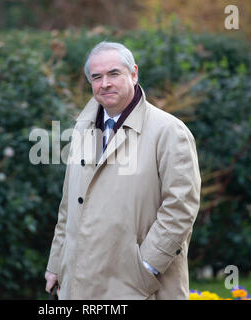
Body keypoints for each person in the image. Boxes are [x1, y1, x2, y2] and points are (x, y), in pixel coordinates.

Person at [45, 41, 201, 299]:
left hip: (139, 288)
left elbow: (181, 207)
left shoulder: (169, 131)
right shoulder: (82, 130)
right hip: (78, 286)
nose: (105, 83)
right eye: (97, 77)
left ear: (134, 74)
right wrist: (56, 264)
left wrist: (147, 266)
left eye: (113, 73)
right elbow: (68, 206)